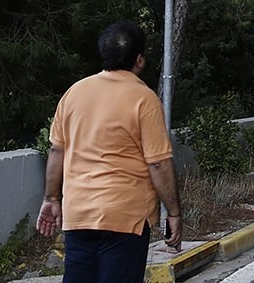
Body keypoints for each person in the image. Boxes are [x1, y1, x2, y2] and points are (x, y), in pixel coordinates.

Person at [38, 21, 182, 283]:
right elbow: (158, 164)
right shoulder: (144, 99)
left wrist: (51, 198)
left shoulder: (74, 93)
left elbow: (57, 151)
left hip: (78, 215)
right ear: (139, 60)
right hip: (125, 219)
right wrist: (173, 212)